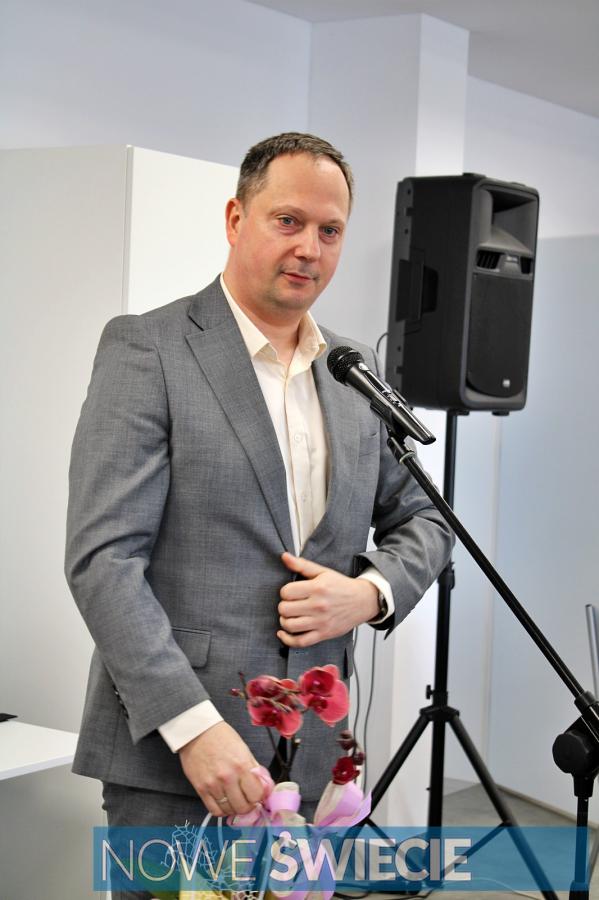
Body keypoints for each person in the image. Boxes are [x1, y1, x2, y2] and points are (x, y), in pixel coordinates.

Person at [65, 132, 453, 874]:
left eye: (330, 230)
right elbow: (103, 561)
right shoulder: (148, 349)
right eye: (288, 221)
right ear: (236, 218)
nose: (309, 248)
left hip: (313, 757)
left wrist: (368, 593)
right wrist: (191, 727)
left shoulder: (352, 370)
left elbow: (427, 515)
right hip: (180, 756)